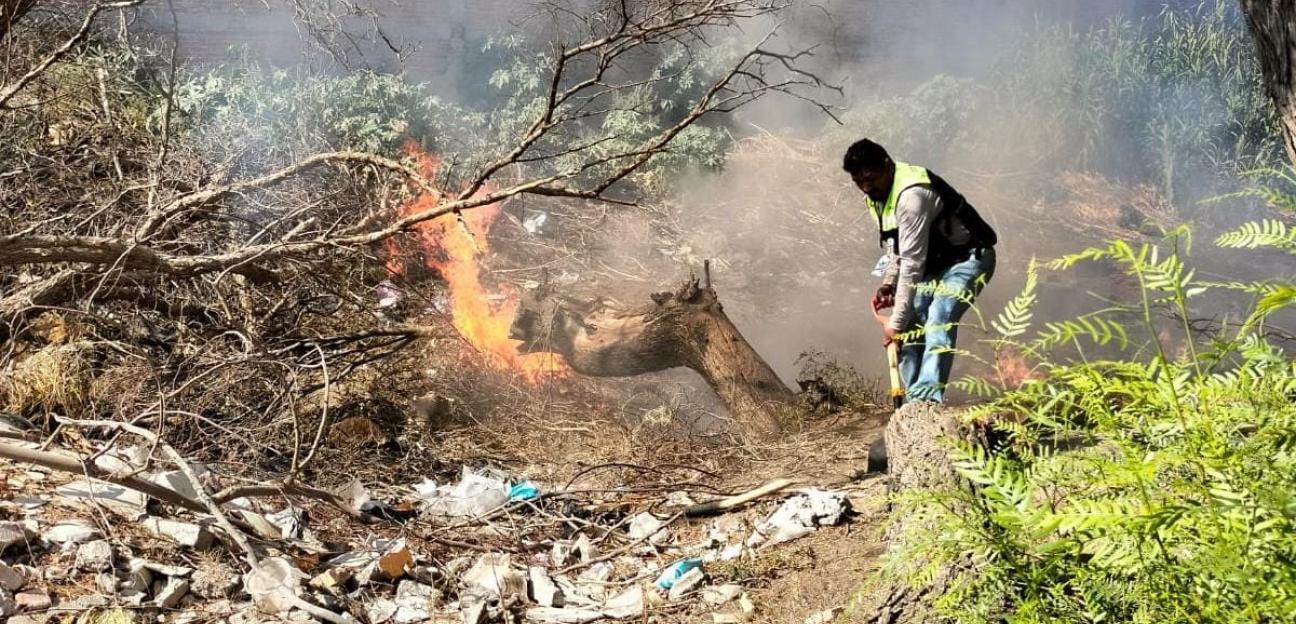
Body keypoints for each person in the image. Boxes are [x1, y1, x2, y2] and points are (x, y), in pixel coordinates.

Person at [842, 138, 998, 403]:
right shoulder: (876, 198)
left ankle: (926, 400)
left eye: (870, 178)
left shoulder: (912, 197)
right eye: (858, 182)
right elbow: (896, 246)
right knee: (911, 323)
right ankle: (914, 403)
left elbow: (912, 264)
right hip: (932, 268)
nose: (866, 187)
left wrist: (895, 324)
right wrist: (889, 283)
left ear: (887, 164)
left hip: (967, 260)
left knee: (939, 314)